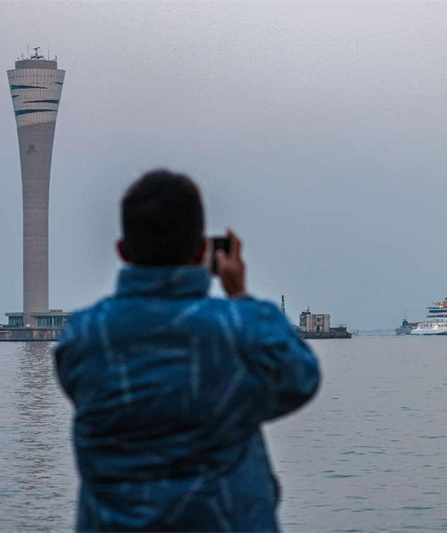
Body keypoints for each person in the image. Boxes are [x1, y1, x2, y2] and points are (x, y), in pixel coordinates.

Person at [54, 169, 320, 532]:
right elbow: (302, 379)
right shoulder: (239, 330)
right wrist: (239, 294)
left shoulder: (83, 336)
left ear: (121, 251)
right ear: (201, 250)